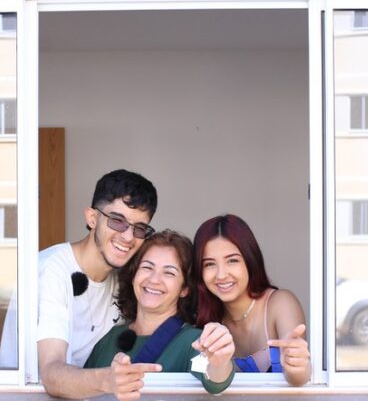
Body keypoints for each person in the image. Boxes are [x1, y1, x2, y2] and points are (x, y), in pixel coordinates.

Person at [37, 169, 161, 399]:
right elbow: (51, 374)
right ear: (92, 218)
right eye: (117, 221)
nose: (128, 237)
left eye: (139, 228)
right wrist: (107, 380)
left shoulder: (123, 282)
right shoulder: (52, 270)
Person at [85, 230, 235, 399]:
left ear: (184, 289)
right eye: (147, 267)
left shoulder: (195, 341)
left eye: (169, 273)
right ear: (134, 275)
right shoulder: (109, 338)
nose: (154, 279)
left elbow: (215, 380)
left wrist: (220, 362)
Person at [192, 214, 311, 386]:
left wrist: (297, 365)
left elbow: (299, 379)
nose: (221, 274)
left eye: (232, 260)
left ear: (250, 260)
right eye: (209, 264)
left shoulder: (280, 303)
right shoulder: (202, 318)